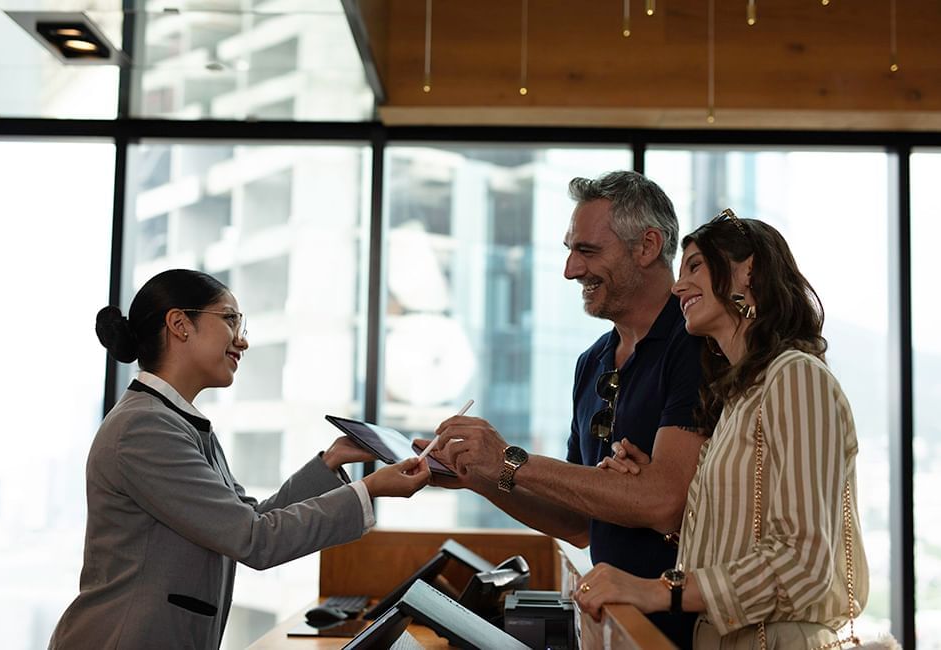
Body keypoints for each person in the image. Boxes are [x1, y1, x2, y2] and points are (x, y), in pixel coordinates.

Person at [49, 269, 430, 650]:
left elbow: (250, 520)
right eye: (231, 319)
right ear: (180, 324)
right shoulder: (144, 428)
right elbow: (255, 539)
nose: (242, 340)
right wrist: (369, 490)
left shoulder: (178, 422)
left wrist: (332, 460)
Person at [428, 171, 705, 647]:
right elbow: (577, 522)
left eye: (588, 251)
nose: (571, 270)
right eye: (570, 251)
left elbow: (663, 500)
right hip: (614, 626)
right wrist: (478, 475)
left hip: (684, 632)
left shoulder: (694, 346)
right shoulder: (591, 361)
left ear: (647, 246)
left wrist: (509, 459)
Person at [572, 211, 870, 648]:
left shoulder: (795, 376)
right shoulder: (738, 400)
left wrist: (657, 590)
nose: (677, 287)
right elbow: (741, 541)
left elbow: (804, 564)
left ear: (747, 269)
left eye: (694, 265)